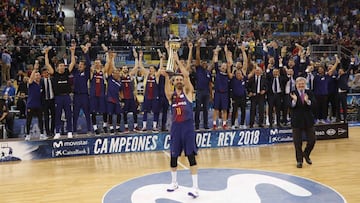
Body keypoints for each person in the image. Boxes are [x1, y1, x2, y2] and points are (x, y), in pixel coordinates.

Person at [164, 52, 199, 198]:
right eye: (176, 79)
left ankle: (195, 188)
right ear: (173, 82)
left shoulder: (189, 92)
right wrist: (166, 76)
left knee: (191, 156)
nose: (179, 80)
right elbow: (166, 89)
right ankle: (174, 183)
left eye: (180, 79)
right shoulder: (171, 97)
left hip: (188, 128)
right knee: (173, 155)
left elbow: (186, 74)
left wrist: (178, 61)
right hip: (176, 128)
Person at [45, 45, 76, 139]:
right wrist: (46, 54)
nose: (62, 67)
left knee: (68, 115)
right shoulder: (54, 74)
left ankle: (69, 131)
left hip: (66, 96)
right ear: (57, 67)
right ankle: (57, 132)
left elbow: (73, 62)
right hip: (58, 97)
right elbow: (47, 65)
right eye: (60, 66)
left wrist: (72, 52)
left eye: (63, 65)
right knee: (57, 115)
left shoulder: (67, 72)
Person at [289, 77, 316, 168]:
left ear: (305, 84)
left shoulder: (310, 92)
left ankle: (306, 154)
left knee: (312, 140)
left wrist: (307, 101)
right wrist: (295, 101)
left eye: (302, 84)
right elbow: (288, 105)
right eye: (299, 84)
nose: (301, 85)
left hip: (308, 120)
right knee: (297, 142)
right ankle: (299, 161)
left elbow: (314, 105)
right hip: (296, 121)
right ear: (296, 85)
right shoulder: (292, 93)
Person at [24, 61, 47, 140]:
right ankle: (27, 135)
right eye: (36, 75)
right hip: (30, 105)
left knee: (40, 120)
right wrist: (34, 69)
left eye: (38, 75)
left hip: (39, 105)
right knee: (29, 121)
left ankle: (41, 134)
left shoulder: (41, 85)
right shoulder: (31, 83)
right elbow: (30, 79)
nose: (37, 76)